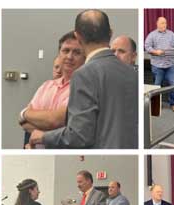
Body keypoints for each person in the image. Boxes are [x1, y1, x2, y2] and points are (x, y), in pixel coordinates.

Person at [30, 9, 138, 149]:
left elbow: (79, 136)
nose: (69, 57)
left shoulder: (84, 74)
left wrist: (42, 136)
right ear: (110, 33)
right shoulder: (132, 73)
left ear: (78, 36)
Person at [19, 32, 85, 147]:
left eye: (77, 52)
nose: (69, 57)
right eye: (66, 51)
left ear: (85, 57)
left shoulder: (84, 88)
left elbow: (54, 120)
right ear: (59, 54)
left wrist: (25, 113)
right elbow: (24, 123)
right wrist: (49, 129)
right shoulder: (46, 86)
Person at [145, 17, 174, 112]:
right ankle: (155, 105)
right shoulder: (152, 35)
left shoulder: (171, 34)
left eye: (165, 23)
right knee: (157, 85)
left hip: (170, 64)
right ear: (157, 24)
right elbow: (147, 47)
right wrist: (155, 52)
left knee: (172, 84)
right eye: (162, 23)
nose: (164, 25)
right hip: (157, 65)